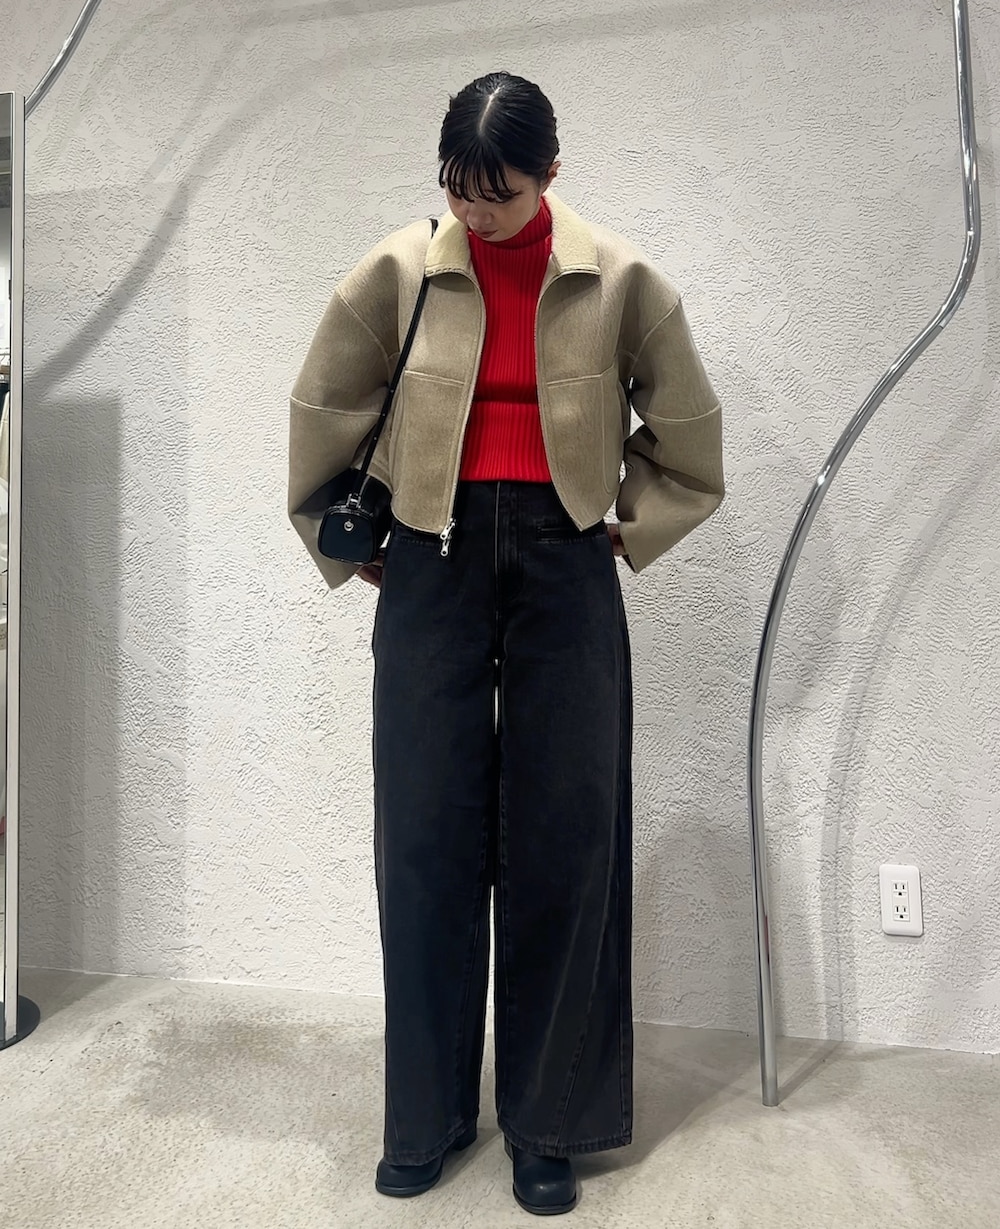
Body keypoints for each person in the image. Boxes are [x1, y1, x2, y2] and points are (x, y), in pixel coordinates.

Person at [288, 72, 725, 1217]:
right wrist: (347, 531)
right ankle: (424, 1115)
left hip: (563, 558)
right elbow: (322, 406)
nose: (477, 212)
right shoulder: (398, 272)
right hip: (428, 560)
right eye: (459, 188)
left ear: (551, 176)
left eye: (502, 191)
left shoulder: (618, 279)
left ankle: (549, 1123)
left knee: (564, 835)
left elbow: (688, 432)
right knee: (422, 831)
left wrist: (625, 527)